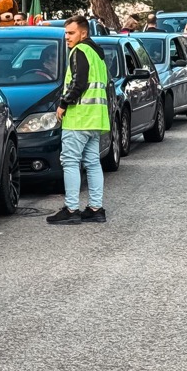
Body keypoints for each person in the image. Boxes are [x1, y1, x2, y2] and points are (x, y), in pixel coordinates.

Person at [47, 16, 110, 225]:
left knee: (70, 161)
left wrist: (63, 104)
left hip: (79, 117)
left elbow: (78, 83)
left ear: (83, 33)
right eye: (65, 33)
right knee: (92, 162)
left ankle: (72, 209)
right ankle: (95, 208)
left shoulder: (79, 51)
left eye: (71, 33)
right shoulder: (97, 53)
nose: (67, 38)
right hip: (97, 118)